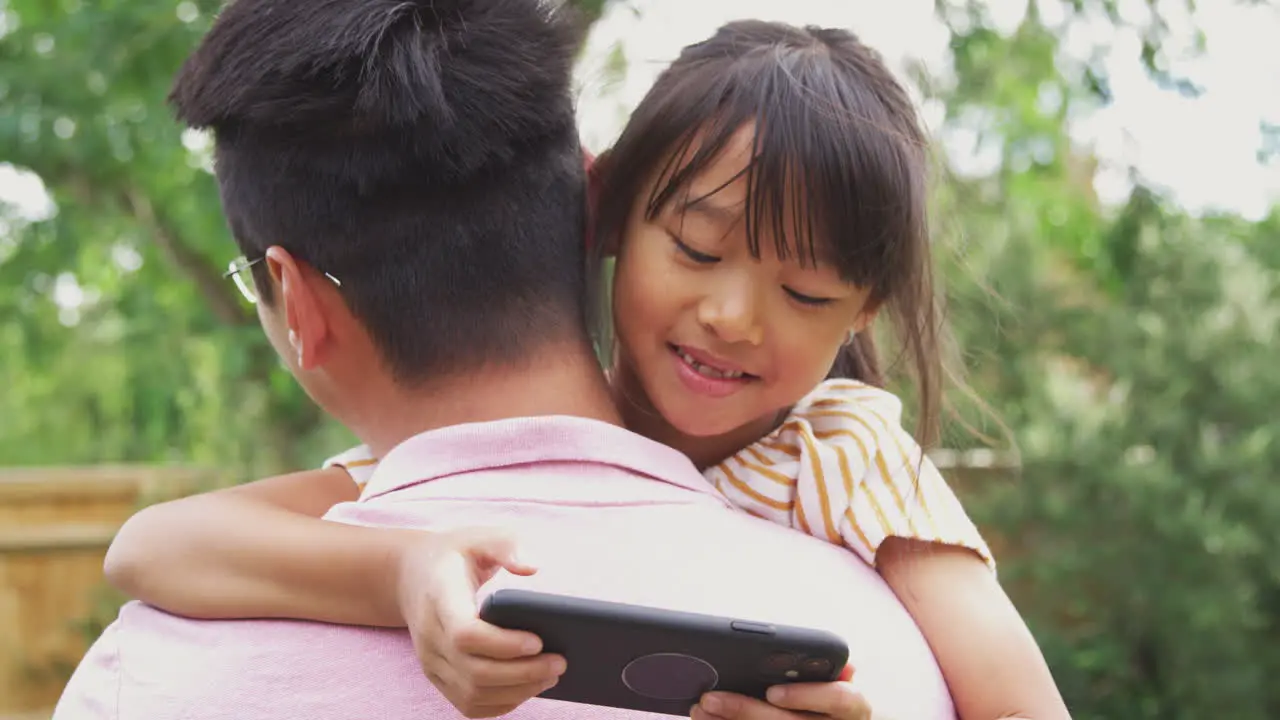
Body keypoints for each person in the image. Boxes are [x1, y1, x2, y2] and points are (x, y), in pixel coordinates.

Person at [95, 11, 1074, 720]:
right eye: (695, 251)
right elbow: (150, 545)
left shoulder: (846, 457)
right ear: (601, 208)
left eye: (805, 296)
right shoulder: (492, 463)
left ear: (863, 310)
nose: (731, 318)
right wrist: (403, 571)